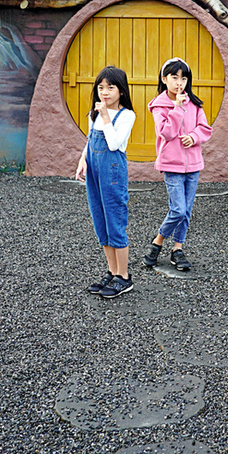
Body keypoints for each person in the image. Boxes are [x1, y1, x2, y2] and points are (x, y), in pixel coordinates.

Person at [143, 57, 213, 272]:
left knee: (187, 210)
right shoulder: (159, 106)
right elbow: (166, 132)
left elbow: (205, 128)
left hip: (193, 164)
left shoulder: (195, 103)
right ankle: (158, 241)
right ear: (164, 79)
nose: (179, 83)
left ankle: (177, 249)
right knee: (178, 210)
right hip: (171, 165)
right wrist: (177, 108)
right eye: (174, 77)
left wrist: (194, 136)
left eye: (183, 78)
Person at [75, 65, 136, 298]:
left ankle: (124, 276)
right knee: (100, 221)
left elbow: (113, 144)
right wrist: (83, 160)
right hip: (94, 171)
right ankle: (111, 272)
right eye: (101, 87)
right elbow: (90, 140)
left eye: (111, 87)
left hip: (112, 173)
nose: (105, 92)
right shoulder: (95, 114)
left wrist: (105, 116)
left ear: (121, 90)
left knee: (114, 222)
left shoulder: (126, 115)